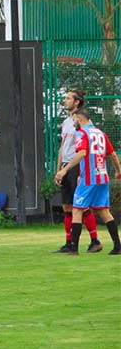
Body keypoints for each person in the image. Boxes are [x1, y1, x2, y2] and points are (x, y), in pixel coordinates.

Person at [55, 109, 121, 255]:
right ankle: (118, 246)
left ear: (80, 119)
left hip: (89, 179)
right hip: (103, 177)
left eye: (75, 121)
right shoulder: (101, 134)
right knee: (104, 211)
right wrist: (118, 171)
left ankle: (73, 248)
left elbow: (82, 153)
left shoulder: (82, 134)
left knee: (77, 209)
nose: (74, 123)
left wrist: (64, 170)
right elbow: (113, 154)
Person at [54, 90, 101, 253]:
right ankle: (68, 243)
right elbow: (63, 147)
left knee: (80, 205)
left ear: (77, 102)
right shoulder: (67, 122)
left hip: (77, 167)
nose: (65, 100)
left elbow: (87, 147)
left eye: (68, 98)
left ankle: (95, 240)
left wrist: (81, 169)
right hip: (66, 167)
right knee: (66, 206)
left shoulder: (84, 123)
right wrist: (58, 169)